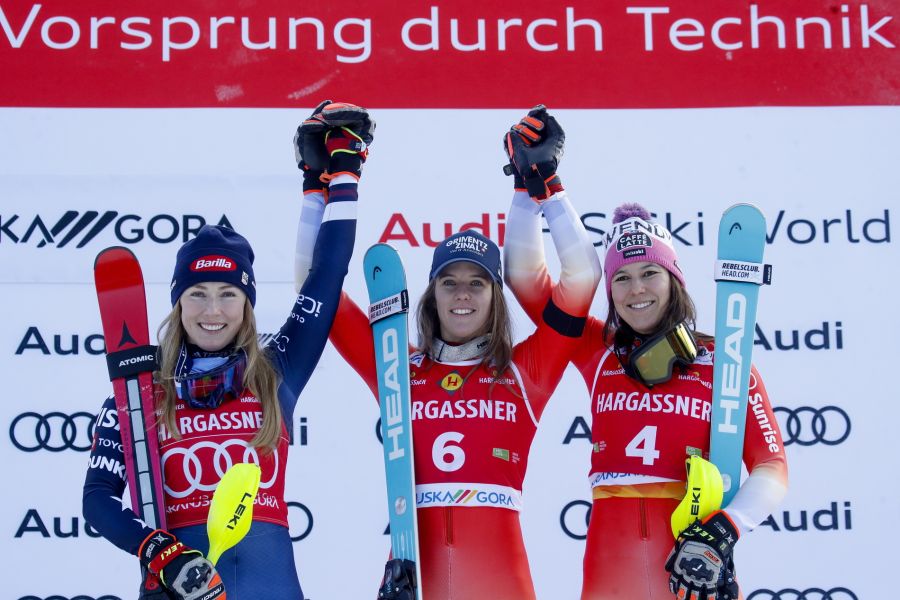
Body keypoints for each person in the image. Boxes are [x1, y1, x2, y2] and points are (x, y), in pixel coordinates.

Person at [294, 107, 601, 599]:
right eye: (450, 282)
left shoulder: (527, 371)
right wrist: (321, 187)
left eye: (477, 283)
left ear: (495, 297)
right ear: (431, 294)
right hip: (414, 581)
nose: (463, 294)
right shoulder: (395, 367)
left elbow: (581, 278)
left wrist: (541, 186)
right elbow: (315, 289)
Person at [82, 101, 372, 600]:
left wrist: (336, 177)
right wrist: (159, 551)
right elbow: (98, 502)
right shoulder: (139, 391)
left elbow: (327, 275)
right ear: (178, 303)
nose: (211, 309)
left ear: (247, 303)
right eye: (197, 293)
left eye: (227, 293)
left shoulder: (277, 369)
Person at [504, 116, 788, 600]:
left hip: (692, 565)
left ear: (674, 279)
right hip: (609, 570)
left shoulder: (724, 361)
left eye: (649, 274)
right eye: (621, 278)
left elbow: (772, 467)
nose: (636, 290)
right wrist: (534, 189)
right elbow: (525, 279)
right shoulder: (597, 353)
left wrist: (725, 530)